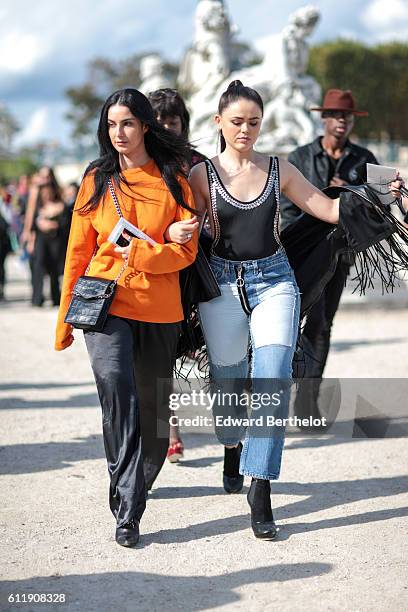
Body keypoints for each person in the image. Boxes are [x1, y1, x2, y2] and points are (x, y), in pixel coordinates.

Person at [166, 80, 342, 539]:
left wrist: (377, 197)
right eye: (238, 121)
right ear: (219, 123)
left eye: (254, 122)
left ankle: (260, 485)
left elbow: (325, 207)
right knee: (228, 377)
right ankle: (231, 445)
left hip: (275, 281)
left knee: (272, 372)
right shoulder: (202, 176)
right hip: (221, 284)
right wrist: (176, 232)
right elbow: (182, 222)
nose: (246, 129)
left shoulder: (279, 169)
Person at [55, 88, 198, 547]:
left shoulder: (174, 178)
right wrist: (63, 321)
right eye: (112, 125)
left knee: (154, 414)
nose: (119, 133)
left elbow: (186, 252)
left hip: (159, 310)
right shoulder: (97, 177)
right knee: (116, 386)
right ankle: (129, 504)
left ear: (145, 126)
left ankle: (132, 482)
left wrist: (143, 249)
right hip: (105, 302)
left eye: (128, 124)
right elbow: (79, 250)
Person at [279, 89, 378, 422]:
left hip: (341, 256)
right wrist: (322, 203)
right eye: (335, 115)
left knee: (322, 325)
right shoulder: (300, 156)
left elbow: (378, 213)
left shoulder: (366, 160)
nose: (341, 121)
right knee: (293, 324)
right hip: (302, 257)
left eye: (346, 116)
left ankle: (307, 401)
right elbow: (287, 211)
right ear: (323, 118)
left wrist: (351, 198)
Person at [148, 87, 203, 462]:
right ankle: (170, 428)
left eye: (174, 119)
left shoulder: (198, 162)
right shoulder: (141, 163)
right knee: (162, 357)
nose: (168, 125)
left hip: (200, 267)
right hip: (161, 269)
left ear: (183, 122)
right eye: (161, 120)